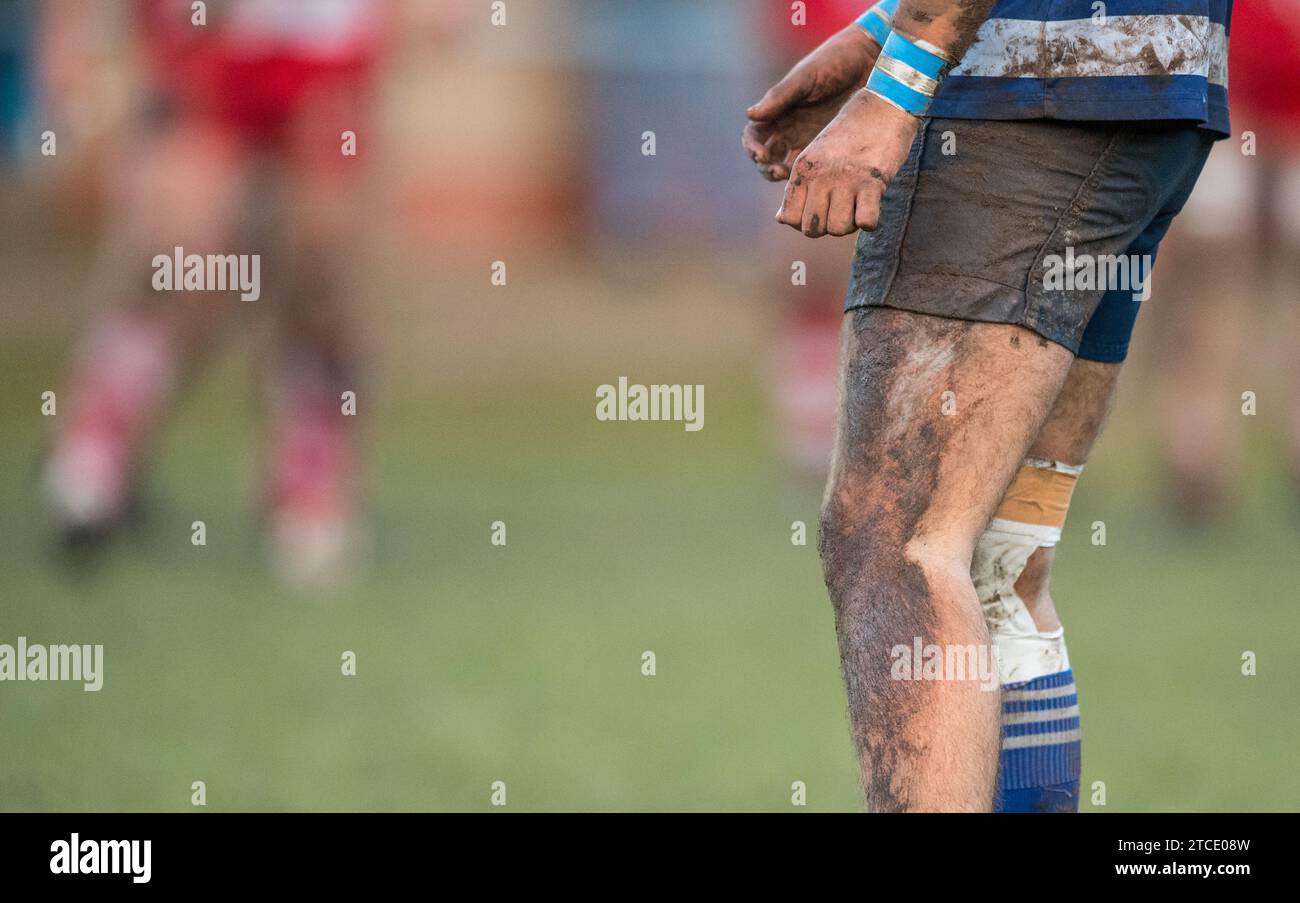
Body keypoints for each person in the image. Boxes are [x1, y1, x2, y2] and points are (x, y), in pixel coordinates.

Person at [743, 0, 1230, 811]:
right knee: (1004, 558)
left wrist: (902, 75)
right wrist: (883, 30)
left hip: (1024, 98)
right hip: (1150, 86)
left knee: (900, 539)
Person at [40, 0, 390, 584]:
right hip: (208, 48)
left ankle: (312, 454)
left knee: (324, 242)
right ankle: (103, 429)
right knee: (187, 245)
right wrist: (71, 36)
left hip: (321, 48)